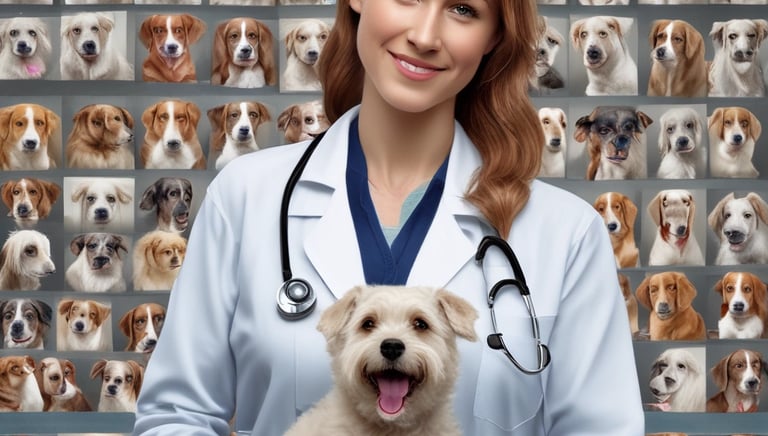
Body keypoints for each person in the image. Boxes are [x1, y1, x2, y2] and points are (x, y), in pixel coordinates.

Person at [133, 1, 645, 435]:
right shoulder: (244, 196)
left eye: (463, 9)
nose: (424, 35)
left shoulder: (567, 232)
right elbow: (177, 416)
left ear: (494, 36)